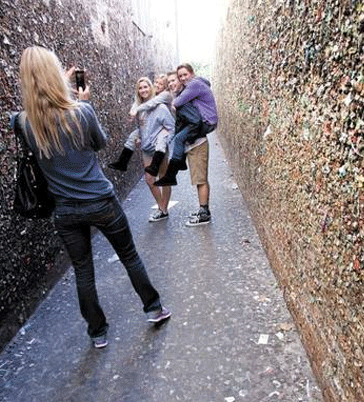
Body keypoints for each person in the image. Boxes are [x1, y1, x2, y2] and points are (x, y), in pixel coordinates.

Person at [14, 46, 170, 349]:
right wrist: (80, 100)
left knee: (83, 270)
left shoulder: (21, 122)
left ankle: (97, 333)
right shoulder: (81, 111)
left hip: (65, 211)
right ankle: (153, 309)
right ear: (56, 76)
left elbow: (40, 119)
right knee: (129, 256)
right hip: (101, 202)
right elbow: (99, 143)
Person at [155, 64, 218, 226]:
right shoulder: (188, 94)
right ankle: (202, 209)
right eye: (175, 78)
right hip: (193, 141)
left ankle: (204, 213)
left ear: (190, 75)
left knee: (200, 179)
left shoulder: (189, 91)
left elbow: (195, 121)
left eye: (182, 76)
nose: (179, 80)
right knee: (198, 179)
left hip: (198, 143)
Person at [108, 74, 173, 175]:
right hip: (146, 138)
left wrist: (136, 110)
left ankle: (155, 166)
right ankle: (122, 163)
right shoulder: (141, 102)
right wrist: (133, 111)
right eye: (156, 82)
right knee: (132, 137)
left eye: (161, 84)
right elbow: (137, 104)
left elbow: (151, 104)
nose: (157, 85)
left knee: (163, 177)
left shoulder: (164, 97)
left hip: (159, 135)